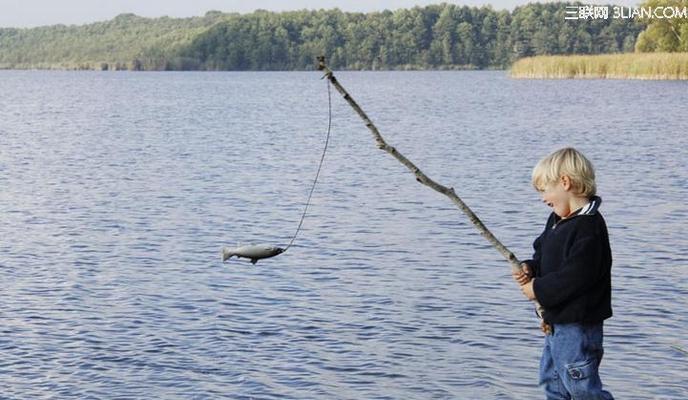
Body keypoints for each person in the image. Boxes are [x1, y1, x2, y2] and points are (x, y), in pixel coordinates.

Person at [513, 147, 614, 399]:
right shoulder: (557, 220)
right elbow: (543, 253)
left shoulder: (588, 227)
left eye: (544, 190)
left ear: (565, 182)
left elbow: (576, 277)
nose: (542, 198)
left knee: (581, 387)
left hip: (578, 326)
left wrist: (536, 289)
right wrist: (531, 268)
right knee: (553, 382)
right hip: (556, 322)